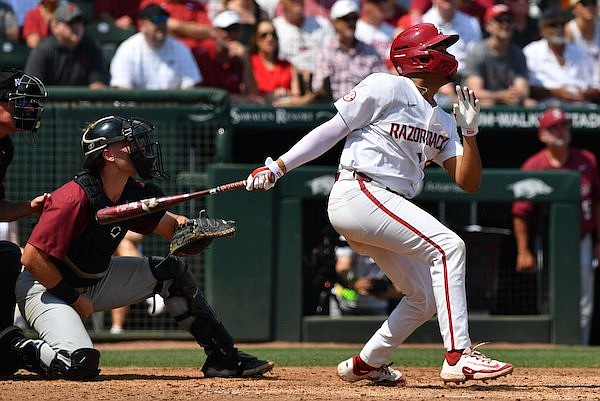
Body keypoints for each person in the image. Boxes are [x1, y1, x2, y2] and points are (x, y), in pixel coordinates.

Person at [245, 22, 513, 386]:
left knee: (423, 298)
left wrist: (470, 133)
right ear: (418, 56)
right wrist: (278, 166)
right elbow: (332, 130)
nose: (449, 56)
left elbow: (468, 182)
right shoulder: (386, 85)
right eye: (441, 48)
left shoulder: (446, 120)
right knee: (449, 247)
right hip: (360, 190)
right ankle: (458, 356)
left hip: (384, 206)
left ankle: (367, 362)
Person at [0, 115, 274, 379]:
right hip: (47, 287)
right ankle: (13, 346)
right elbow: (32, 257)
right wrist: (72, 297)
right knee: (79, 362)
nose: (141, 148)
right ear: (108, 154)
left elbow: (170, 227)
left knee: (171, 273)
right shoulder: (73, 197)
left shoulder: (133, 192)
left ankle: (223, 358)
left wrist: (190, 230)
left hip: (95, 279)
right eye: (130, 143)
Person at [512, 107, 600, 345]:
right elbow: (521, 213)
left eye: (564, 126)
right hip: (548, 241)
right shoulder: (534, 165)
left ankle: (579, 346)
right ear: (542, 134)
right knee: (550, 296)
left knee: (585, 299)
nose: (561, 131)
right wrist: (523, 250)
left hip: (582, 237)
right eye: (554, 128)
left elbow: (597, 201)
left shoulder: (587, 159)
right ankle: (553, 347)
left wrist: (598, 241)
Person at [0, 68, 48, 336]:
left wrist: (31, 207)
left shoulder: (5, 147)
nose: (29, 108)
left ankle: (3, 340)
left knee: (8, 255)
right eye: (20, 101)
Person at [110, 3, 202, 90]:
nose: (161, 24)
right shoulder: (128, 49)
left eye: (164, 19)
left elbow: (190, 86)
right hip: (137, 105)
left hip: (173, 105)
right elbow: (122, 87)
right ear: (142, 24)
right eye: (156, 19)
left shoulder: (180, 48)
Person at [312, 0, 388, 103]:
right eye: (346, 19)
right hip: (335, 111)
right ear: (335, 23)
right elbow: (319, 88)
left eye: (353, 19)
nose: (351, 23)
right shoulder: (326, 53)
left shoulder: (370, 51)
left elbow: (384, 84)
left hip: (367, 110)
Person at [523, 6, 600, 107]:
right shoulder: (531, 52)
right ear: (542, 29)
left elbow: (596, 85)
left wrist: (585, 94)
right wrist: (554, 93)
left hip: (581, 110)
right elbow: (526, 89)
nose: (559, 28)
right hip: (547, 109)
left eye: (562, 24)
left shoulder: (581, 51)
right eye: (553, 25)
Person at [24, 2, 109, 88]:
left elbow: (98, 86)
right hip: (49, 101)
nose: (76, 27)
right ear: (55, 26)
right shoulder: (43, 51)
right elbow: (32, 90)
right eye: (70, 22)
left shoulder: (91, 47)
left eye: (79, 22)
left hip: (83, 101)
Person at [461, 3, 532, 107]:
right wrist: (501, 96)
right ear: (487, 26)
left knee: (530, 104)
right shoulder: (478, 51)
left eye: (509, 21)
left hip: (507, 100)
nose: (505, 25)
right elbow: (474, 92)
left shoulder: (518, 53)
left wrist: (514, 95)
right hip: (483, 102)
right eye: (500, 21)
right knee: (487, 103)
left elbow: (523, 90)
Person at [193, 10, 264, 103]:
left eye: (236, 29)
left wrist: (246, 63)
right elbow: (195, 93)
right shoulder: (202, 55)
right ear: (215, 31)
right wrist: (233, 99)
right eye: (227, 29)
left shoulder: (240, 57)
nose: (232, 34)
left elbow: (253, 95)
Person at [272, 0, 335, 95]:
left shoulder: (322, 24)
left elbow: (333, 56)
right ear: (281, 2)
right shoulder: (274, 27)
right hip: (287, 90)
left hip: (320, 90)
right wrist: (296, 72)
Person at [330, 237, 403, 316]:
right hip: (345, 302)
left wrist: (390, 291)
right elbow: (342, 268)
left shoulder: (391, 236)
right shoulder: (350, 232)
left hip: (378, 304)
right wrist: (354, 285)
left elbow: (405, 280)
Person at [138, 0, 212, 50]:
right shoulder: (151, 2)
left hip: (193, 54)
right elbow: (150, 30)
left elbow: (209, 32)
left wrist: (177, 26)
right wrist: (192, 28)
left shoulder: (196, 5)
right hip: (163, 51)